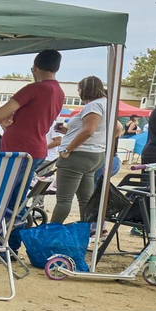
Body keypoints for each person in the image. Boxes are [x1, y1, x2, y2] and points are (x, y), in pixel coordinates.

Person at [51, 76, 116, 223]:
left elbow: (88, 131)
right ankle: (85, 233)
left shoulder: (93, 106)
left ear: (85, 89)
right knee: (85, 199)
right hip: (96, 155)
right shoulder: (108, 104)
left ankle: (50, 233)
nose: (79, 93)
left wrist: (68, 149)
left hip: (78, 155)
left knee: (64, 200)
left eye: (79, 90)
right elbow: (118, 128)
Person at [0, 49, 64, 162]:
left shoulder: (35, 88)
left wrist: (4, 121)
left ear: (35, 67)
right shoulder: (60, 92)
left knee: (2, 179)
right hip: (38, 148)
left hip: (18, 150)